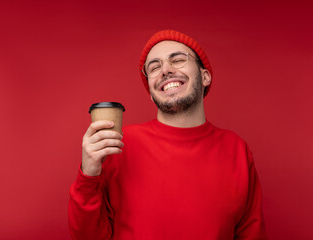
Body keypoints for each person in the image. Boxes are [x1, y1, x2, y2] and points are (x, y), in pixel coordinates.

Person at [68, 29, 268, 240]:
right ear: (152, 90)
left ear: (205, 76)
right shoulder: (118, 145)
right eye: (154, 67)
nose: (165, 70)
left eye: (178, 59)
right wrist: (88, 176)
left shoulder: (236, 149)